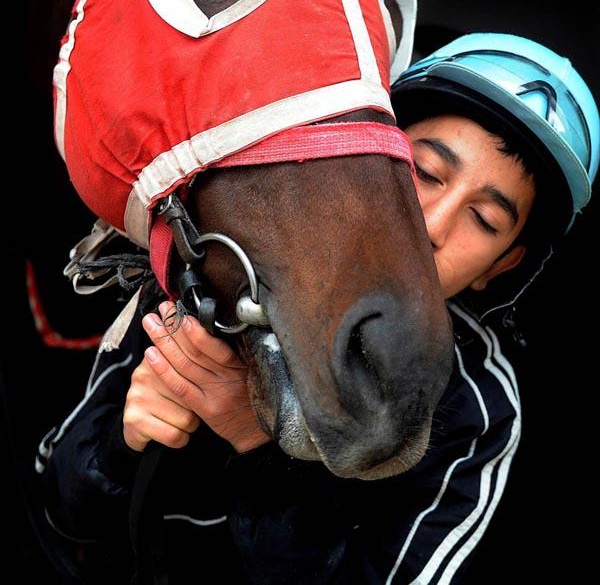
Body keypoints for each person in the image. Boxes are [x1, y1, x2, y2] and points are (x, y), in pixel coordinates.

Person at [35, 33, 598, 584]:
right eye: (425, 173)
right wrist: (119, 444)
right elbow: (58, 515)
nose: (434, 225)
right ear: (364, 157)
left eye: (486, 221)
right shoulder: (214, 269)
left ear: (502, 265)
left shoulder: (479, 408)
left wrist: (257, 445)